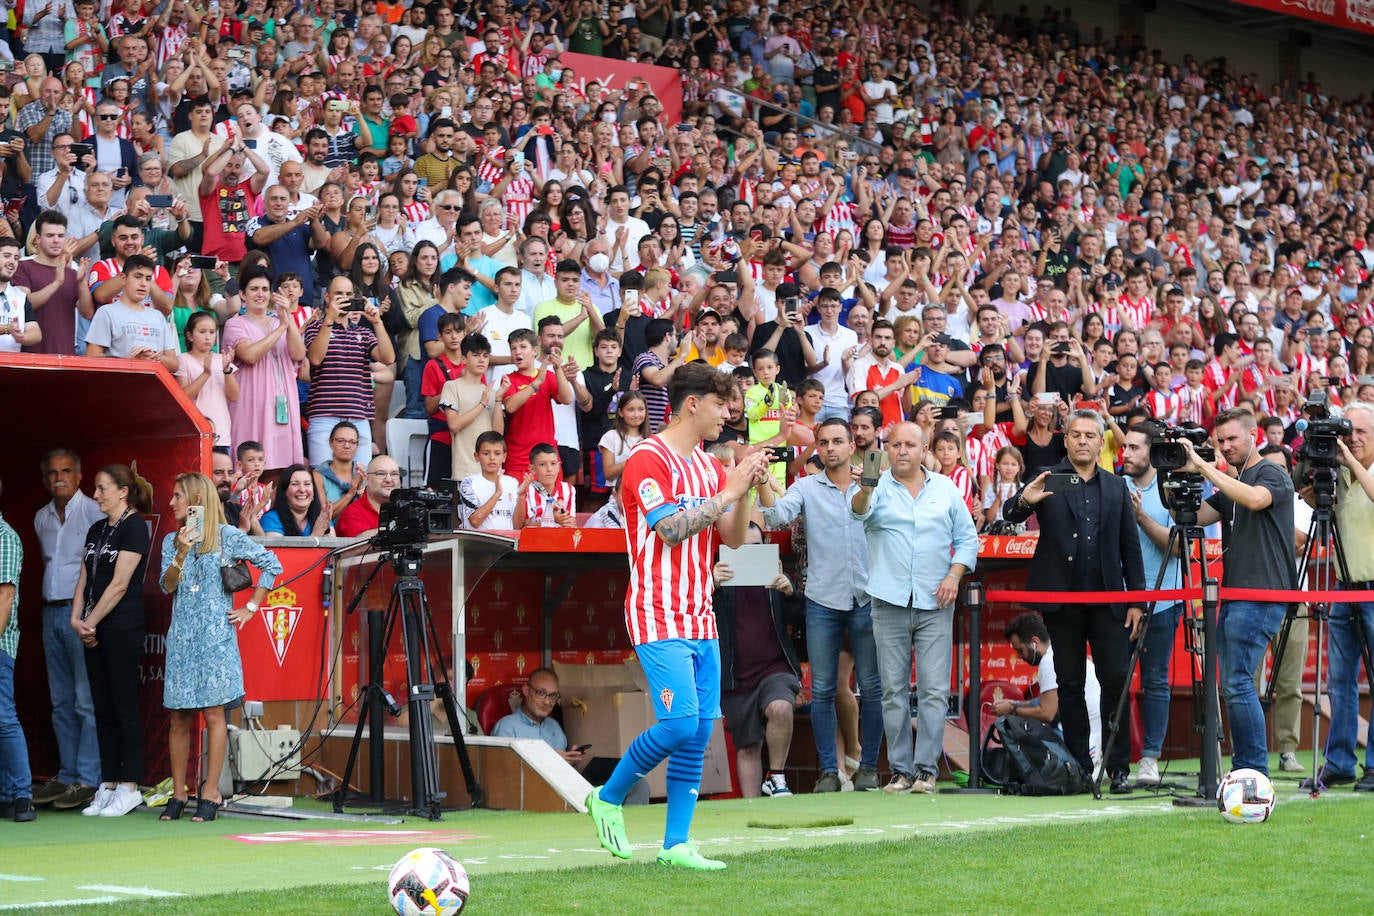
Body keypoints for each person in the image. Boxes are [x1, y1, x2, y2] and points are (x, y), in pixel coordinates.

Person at [586, 362, 771, 870]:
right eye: (720, 405)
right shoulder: (648, 458)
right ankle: (606, 796)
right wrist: (729, 492)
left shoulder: (711, 467)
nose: (727, 414)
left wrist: (746, 483)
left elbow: (731, 539)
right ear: (693, 403)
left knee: (700, 730)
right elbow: (670, 530)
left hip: (701, 614)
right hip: (656, 611)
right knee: (678, 722)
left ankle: (676, 844)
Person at [1003, 409, 1145, 793]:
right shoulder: (1049, 478)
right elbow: (1008, 514)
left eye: (1090, 436)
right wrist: (1023, 501)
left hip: (1109, 602)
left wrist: (1137, 602)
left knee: (1116, 680)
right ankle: (1081, 766)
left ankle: (1118, 769)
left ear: (1102, 443)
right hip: (1062, 603)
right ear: (1065, 440)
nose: (1083, 441)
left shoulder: (1116, 486)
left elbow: (1130, 548)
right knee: (1069, 684)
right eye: (1076, 435)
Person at [851, 421, 978, 794]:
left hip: (936, 600)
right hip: (888, 600)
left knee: (934, 690)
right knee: (892, 690)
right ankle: (900, 771)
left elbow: (967, 539)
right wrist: (865, 487)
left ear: (925, 449)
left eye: (910, 444)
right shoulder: (874, 485)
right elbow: (857, 513)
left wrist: (954, 575)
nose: (902, 450)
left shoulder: (946, 488)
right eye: (895, 444)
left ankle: (926, 771)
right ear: (885, 449)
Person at [758, 418, 882, 792]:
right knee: (824, 689)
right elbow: (775, 516)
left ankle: (870, 769)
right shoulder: (807, 487)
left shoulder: (874, 482)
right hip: (822, 599)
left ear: (851, 446)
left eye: (837, 441)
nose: (830, 448)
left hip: (867, 595)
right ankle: (829, 771)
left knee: (873, 689)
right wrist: (763, 479)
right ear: (817, 446)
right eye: (823, 442)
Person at [1173, 407, 1294, 778]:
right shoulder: (1232, 484)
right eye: (1220, 441)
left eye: (1232, 439)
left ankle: (1252, 770)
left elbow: (1256, 499)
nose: (1225, 447)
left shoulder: (1270, 472)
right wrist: (1177, 476)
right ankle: (1249, 768)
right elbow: (1189, 520)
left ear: (1253, 435)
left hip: (1262, 593)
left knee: (1238, 681)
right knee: (1233, 683)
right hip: (1238, 593)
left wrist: (1208, 469)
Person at [158, 473, 282, 822]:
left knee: (214, 715)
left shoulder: (228, 538)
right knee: (179, 717)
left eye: (177, 496)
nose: (172, 503)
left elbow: (273, 565)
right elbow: (166, 587)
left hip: (216, 639)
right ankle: (179, 792)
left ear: (196, 498)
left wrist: (251, 607)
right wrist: (181, 552)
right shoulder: (172, 540)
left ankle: (210, 790)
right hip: (182, 638)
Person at [70, 464, 152, 817]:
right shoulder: (96, 528)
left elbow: (120, 584)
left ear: (123, 492)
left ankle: (130, 785)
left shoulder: (134, 527)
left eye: (102, 488)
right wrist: (76, 619)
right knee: (100, 707)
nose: (96, 494)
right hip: (92, 625)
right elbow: (85, 575)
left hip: (120, 625)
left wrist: (91, 621)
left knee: (123, 705)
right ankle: (109, 782)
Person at [1303, 401, 1374, 790]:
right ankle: (1340, 762)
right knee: (1339, 680)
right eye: (1348, 433)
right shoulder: (1338, 475)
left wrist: (1350, 460)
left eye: (1361, 432)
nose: (1353, 440)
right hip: (1344, 587)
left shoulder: (1360, 473)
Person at [30, 448, 104, 811]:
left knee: (84, 699)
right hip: (50, 613)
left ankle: (88, 779)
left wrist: (91, 617)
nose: (58, 478)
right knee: (60, 702)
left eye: (65, 471)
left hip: (81, 615)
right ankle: (68, 773)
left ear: (78, 475)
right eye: (51, 473)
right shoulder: (41, 518)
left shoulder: (94, 511)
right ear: (45, 479)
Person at [712, 522, 803, 798]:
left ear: (765, 548)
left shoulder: (775, 577)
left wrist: (790, 592)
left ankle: (776, 777)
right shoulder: (716, 580)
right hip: (735, 676)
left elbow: (802, 618)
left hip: (774, 668)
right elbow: (697, 614)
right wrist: (710, 585)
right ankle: (752, 812)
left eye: (755, 547)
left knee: (780, 708)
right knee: (747, 748)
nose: (748, 554)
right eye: (741, 548)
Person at [1119, 423, 1184, 788]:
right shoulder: (1115, 485)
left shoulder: (1171, 487)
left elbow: (1178, 548)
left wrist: (1141, 517)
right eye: (1124, 446)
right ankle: (1113, 760)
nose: (1125, 453)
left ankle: (1150, 759)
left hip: (1164, 600)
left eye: (1133, 448)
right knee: (1113, 681)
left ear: (1152, 452)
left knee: (1156, 680)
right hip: (1120, 600)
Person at [303, 274, 395, 466]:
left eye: (348, 294)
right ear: (327, 297)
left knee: (360, 480)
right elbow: (315, 358)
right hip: (324, 415)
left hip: (358, 416)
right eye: (339, 294)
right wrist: (329, 319)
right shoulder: (315, 327)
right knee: (323, 477)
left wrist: (377, 322)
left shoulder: (363, 332)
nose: (344, 298)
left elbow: (388, 358)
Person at [989, 612, 1102, 765]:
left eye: (1020, 650)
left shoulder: (1048, 662)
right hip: (1095, 730)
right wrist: (1015, 704)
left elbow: (1047, 713)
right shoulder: (1059, 651)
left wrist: (1011, 711)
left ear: (1034, 642)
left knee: (1019, 727)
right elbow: (1048, 701)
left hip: (1084, 735)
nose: (1020, 657)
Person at [0, 476, 37, 823]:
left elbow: (5, 597)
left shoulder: (5, 538)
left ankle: (23, 794)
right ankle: (6, 794)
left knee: (3, 717)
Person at [491, 667, 586, 764]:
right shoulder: (507, 727)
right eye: (540, 693)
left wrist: (570, 760)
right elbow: (503, 773)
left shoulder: (554, 726)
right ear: (526, 691)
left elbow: (561, 770)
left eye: (553, 695)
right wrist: (551, 760)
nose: (547, 701)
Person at [337, 455, 401, 538]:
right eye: (381, 474)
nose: (388, 479)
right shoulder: (352, 513)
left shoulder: (408, 509)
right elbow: (360, 544)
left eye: (394, 474)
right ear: (366, 479)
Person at [257, 465, 330, 537]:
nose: (302, 490)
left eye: (307, 484)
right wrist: (315, 536)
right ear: (284, 491)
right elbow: (277, 548)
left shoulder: (321, 517)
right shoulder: (271, 519)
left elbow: (335, 547)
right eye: (295, 484)